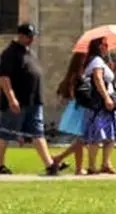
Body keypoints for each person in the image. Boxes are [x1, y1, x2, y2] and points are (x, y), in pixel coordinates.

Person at [0, 23, 66, 176]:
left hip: (33, 101)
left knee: (37, 133)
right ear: (21, 36)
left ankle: (50, 165)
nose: (31, 39)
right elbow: (4, 78)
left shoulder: (28, 52)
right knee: (5, 133)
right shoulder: (10, 53)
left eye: (32, 36)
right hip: (18, 101)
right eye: (29, 36)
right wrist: (11, 98)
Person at [81, 37, 116, 175]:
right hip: (100, 104)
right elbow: (98, 79)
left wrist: (109, 69)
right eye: (105, 45)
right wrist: (106, 98)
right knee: (96, 135)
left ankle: (106, 164)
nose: (107, 47)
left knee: (110, 135)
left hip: (104, 104)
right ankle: (92, 166)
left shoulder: (100, 61)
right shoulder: (97, 60)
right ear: (99, 46)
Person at [54, 49, 94, 176]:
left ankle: (78, 168)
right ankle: (59, 158)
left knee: (80, 140)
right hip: (79, 109)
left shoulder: (77, 75)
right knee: (82, 140)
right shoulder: (77, 76)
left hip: (77, 108)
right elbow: (74, 94)